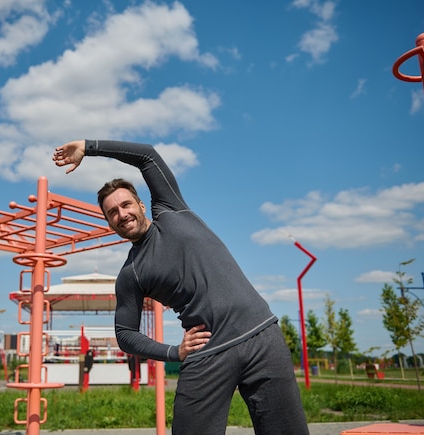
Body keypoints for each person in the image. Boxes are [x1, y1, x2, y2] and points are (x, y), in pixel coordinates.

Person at [53, 140, 309, 434]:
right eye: (112, 213)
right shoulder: (131, 274)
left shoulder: (171, 211)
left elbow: (147, 156)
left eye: (125, 205)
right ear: (109, 224)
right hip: (209, 351)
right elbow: (125, 335)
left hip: (262, 337)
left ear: (140, 204)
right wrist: (174, 352)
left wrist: (89, 147)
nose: (121, 215)